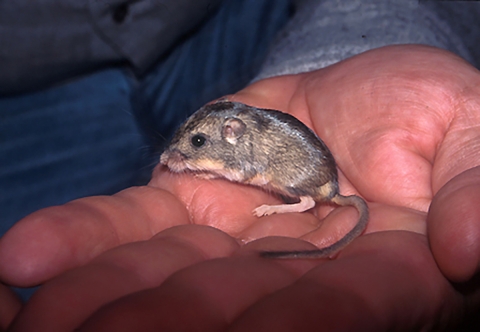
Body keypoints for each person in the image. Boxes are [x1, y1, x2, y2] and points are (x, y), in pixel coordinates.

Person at [2, 0, 480, 330]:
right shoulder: (232, 132)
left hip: (219, 27)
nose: (182, 155)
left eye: (196, 144)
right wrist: (199, 163)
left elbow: (247, 173)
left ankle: (300, 205)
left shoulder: (246, 153)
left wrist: (341, 49)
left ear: (231, 134)